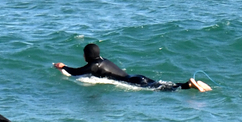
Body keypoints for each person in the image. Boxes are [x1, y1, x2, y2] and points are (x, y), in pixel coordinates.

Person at [54, 43, 212, 92]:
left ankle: (188, 85)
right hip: (135, 76)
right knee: (160, 84)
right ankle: (187, 84)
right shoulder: (103, 60)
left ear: (87, 55)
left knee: (159, 89)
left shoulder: (94, 65)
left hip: (134, 82)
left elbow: (76, 73)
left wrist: (62, 66)